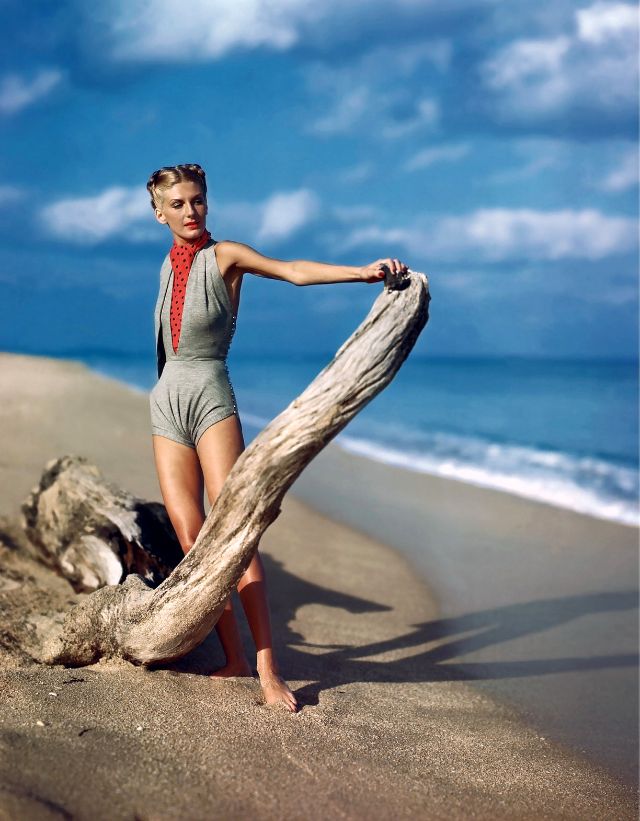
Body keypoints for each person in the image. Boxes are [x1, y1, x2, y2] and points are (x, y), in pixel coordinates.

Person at [146, 163, 408, 712]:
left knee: (236, 532)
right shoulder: (166, 267)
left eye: (198, 200)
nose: (190, 211)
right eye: (178, 204)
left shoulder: (226, 256)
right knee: (192, 539)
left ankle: (268, 669)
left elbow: (292, 271)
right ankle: (233, 657)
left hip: (210, 396)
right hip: (165, 401)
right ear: (159, 212)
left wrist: (362, 273)